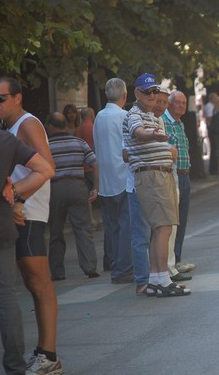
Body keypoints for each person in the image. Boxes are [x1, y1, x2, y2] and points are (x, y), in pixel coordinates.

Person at [0, 76, 63, 374]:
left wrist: (18, 197)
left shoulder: (28, 124)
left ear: (18, 98)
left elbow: (48, 168)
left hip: (28, 213)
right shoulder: (9, 130)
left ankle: (48, 355)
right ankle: (44, 354)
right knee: (31, 285)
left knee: (38, 283)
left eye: (0, 98)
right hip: (17, 213)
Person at [123, 73, 190, 297]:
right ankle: (161, 279)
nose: (152, 96)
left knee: (163, 227)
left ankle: (158, 278)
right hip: (151, 175)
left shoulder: (151, 115)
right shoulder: (135, 115)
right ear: (137, 94)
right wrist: (151, 134)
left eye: (155, 91)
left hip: (160, 174)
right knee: (162, 228)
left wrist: (167, 149)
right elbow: (138, 133)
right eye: (148, 92)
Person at [46, 112, 100, 281]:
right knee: (83, 229)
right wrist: (96, 188)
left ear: (51, 127)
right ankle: (90, 267)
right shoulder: (79, 142)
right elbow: (95, 163)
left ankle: (57, 272)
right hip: (78, 186)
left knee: (56, 231)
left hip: (55, 188)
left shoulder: (45, 146)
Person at [93, 78, 134, 284]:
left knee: (113, 227)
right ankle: (124, 268)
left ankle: (114, 262)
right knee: (127, 225)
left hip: (106, 181)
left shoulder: (99, 117)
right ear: (125, 95)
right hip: (124, 178)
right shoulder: (125, 116)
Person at [162, 90, 196, 278]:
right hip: (173, 176)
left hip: (185, 175)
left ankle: (177, 257)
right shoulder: (164, 122)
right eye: (178, 103)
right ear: (169, 104)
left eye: (183, 103)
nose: (181, 106)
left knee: (181, 219)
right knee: (172, 221)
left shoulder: (179, 123)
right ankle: (169, 262)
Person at [75, 107, 98, 228]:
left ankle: (91, 219)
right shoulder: (93, 127)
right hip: (93, 165)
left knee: (87, 195)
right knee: (97, 190)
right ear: (91, 115)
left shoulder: (77, 129)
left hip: (82, 165)